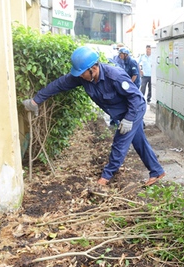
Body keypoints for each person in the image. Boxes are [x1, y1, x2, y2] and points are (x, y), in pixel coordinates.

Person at [22, 46, 166, 187]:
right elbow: (59, 84)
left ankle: (105, 177)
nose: (79, 76)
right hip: (120, 112)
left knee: (120, 142)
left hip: (133, 110)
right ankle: (157, 171)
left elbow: (136, 99)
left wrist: (129, 119)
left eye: (81, 73)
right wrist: (36, 101)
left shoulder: (114, 76)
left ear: (94, 68)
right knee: (139, 141)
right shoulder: (84, 76)